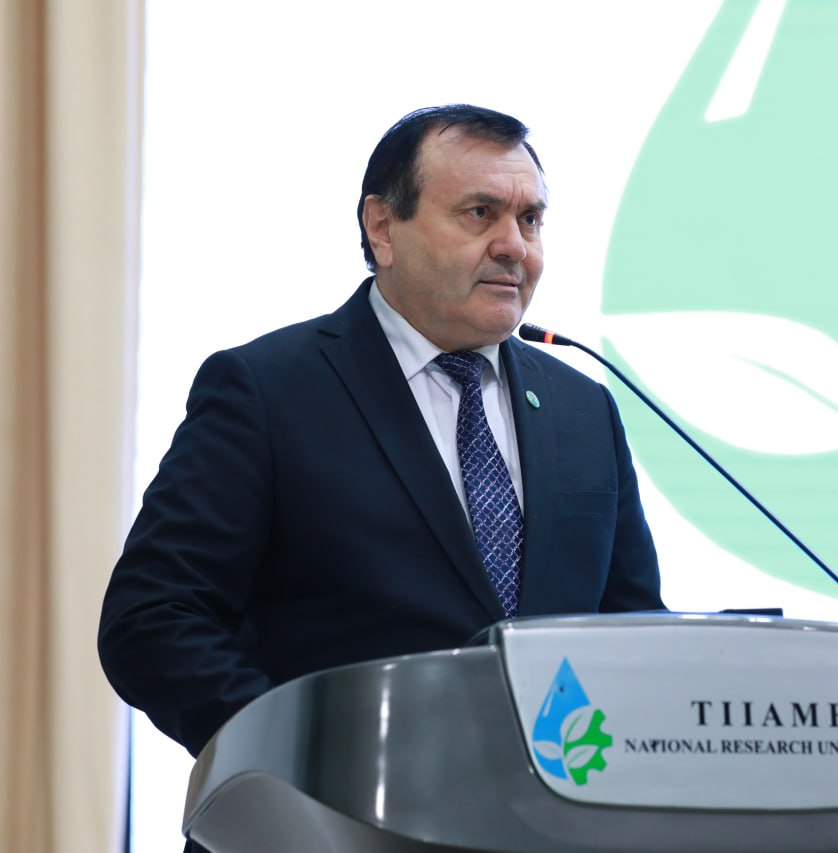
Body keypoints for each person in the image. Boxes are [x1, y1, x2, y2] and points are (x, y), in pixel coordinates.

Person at [98, 104, 665, 760]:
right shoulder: (268, 390)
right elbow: (153, 619)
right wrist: (300, 753)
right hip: (332, 806)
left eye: (530, 219)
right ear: (382, 228)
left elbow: (636, 634)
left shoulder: (584, 408)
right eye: (480, 213)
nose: (514, 245)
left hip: (554, 803)